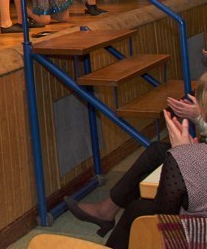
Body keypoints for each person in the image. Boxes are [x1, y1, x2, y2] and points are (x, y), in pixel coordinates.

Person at [64, 78, 207, 248]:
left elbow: (162, 217)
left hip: (197, 234)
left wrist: (184, 155)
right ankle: (106, 211)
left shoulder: (187, 158)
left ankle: (106, 213)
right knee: (139, 203)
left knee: (140, 211)